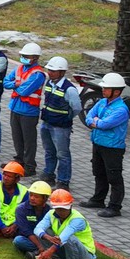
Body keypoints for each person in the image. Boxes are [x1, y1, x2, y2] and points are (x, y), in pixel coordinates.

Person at [83, 73, 129, 219]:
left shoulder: (121, 109)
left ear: (116, 91)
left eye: (106, 88)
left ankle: (115, 207)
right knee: (99, 172)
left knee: (114, 177)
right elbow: (89, 115)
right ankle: (98, 199)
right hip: (98, 143)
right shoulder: (102, 102)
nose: (103, 90)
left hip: (113, 148)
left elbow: (105, 124)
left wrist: (96, 122)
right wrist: (96, 121)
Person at [18, 190, 96, 259]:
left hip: (85, 256)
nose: (61, 211)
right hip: (67, 249)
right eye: (58, 208)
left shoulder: (78, 219)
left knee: (69, 238)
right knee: (43, 232)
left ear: (70, 206)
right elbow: (37, 229)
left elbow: (64, 237)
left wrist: (49, 251)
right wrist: (46, 236)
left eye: (63, 208)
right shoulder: (51, 214)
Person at [37, 56, 83, 186]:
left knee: (62, 155)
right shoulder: (49, 83)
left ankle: (63, 181)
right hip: (47, 123)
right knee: (49, 151)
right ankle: (49, 174)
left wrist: (66, 119)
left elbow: (77, 108)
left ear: (62, 72)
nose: (49, 72)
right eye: (49, 70)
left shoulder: (69, 89)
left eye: (53, 70)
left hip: (60, 127)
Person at [4, 43, 47, 175]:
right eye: (22, 55)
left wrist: (15, 85)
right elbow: (5, 82)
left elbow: (24, 91)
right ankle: (20, 159)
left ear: (34, 58)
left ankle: (29, 166)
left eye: (26, 56)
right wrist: (15, 84)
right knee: (17, 137)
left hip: (29, 111)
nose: (23, 58)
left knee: (29, 140)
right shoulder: (19, 68)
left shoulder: (38, 74)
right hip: (15, 108)